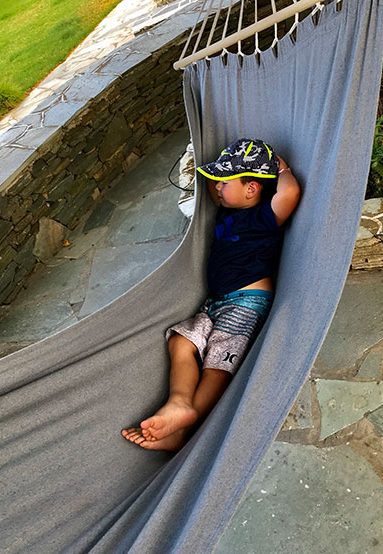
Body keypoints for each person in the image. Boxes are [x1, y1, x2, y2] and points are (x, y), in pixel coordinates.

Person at [121, 138, 300, 451]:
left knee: (218, 363)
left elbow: (290, 193)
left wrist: (280, 167)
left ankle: (189, 426)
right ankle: (179, 404)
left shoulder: (264, 218)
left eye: (224, 182)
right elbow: (212, 187)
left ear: (252, 189)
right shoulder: (225, 210)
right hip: (215, 303)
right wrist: (202, 144)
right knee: (181, 340)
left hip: (247, 302)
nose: (216, 187)